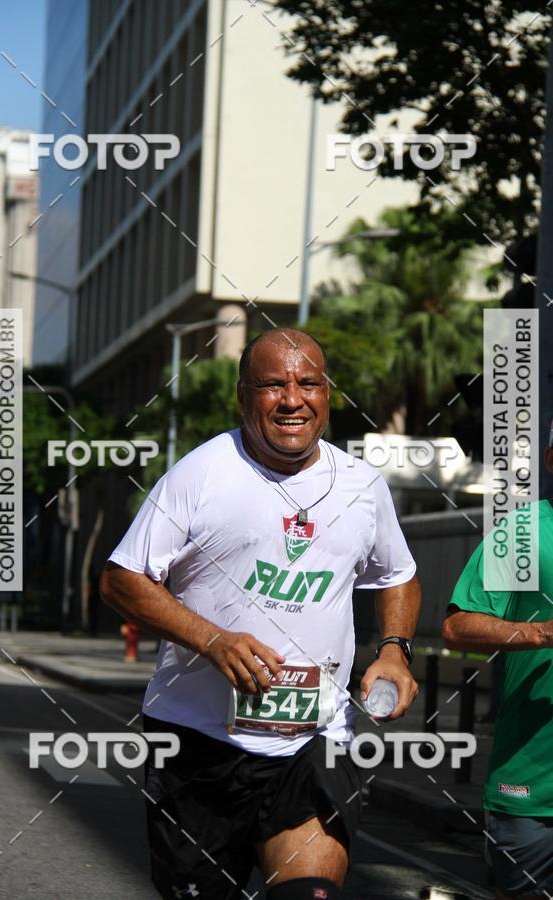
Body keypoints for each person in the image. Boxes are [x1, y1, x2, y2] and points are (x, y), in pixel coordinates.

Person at [101, 328, 420, 900]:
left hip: (314, 740)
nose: (292, 399)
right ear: (244, 396)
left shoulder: (362, 486)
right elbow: (121, 580)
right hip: (197, 740)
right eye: (272, 385)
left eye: (308, 384)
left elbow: (397, 575)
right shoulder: (202, 474)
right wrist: (213, 640)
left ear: (328, 395)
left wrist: (395, 650)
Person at [442, 441, 553, 900]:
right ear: (551, 457)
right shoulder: (524, 531)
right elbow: (457, 625)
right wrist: (542, 634)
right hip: (530, 786)